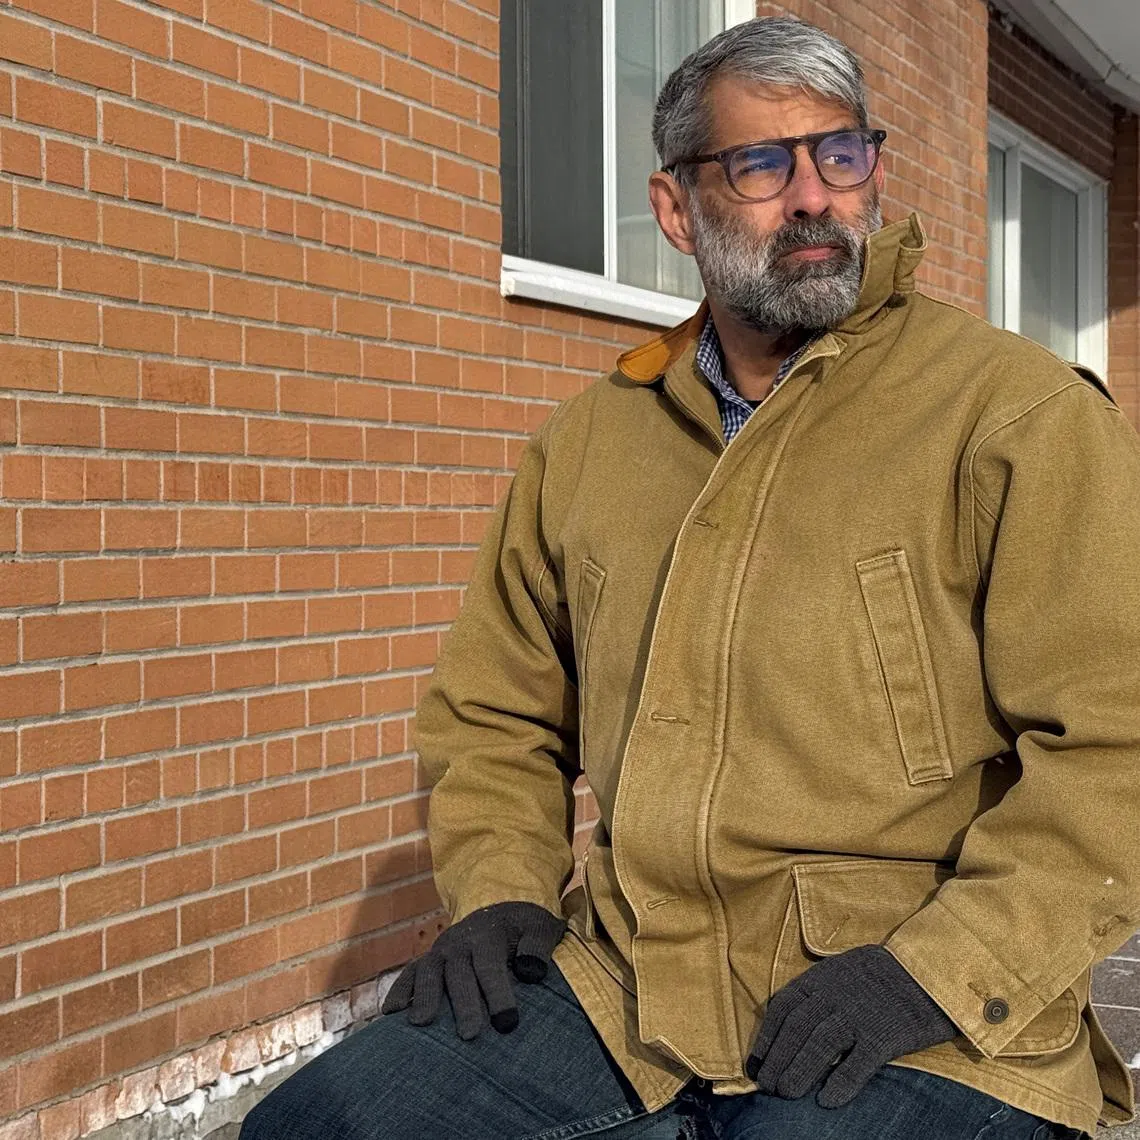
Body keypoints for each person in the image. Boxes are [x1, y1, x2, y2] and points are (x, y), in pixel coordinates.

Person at [240, 16, 1140, 1140]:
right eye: (762, 164)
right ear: (676, 209)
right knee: (320, 1124)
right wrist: (502, 891)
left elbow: (1117, 749)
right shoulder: (593, 441)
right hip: (632, 980)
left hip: (918, 996)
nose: (812, 197)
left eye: (840, 154)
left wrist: (943, 972)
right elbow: (495, 712)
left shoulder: (1015, 416)